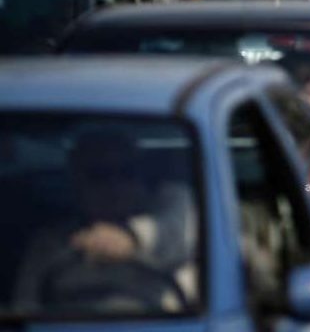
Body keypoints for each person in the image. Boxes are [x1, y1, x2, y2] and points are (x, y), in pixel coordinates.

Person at [12, 128, 197, 313]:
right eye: (99, 175)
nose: (115, 186)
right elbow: (25, 309)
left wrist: (132, 237)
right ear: (76, 184)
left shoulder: (176, 208)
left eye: (126, 172)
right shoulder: (49, 242)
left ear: (143, 179)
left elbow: (180, 230)